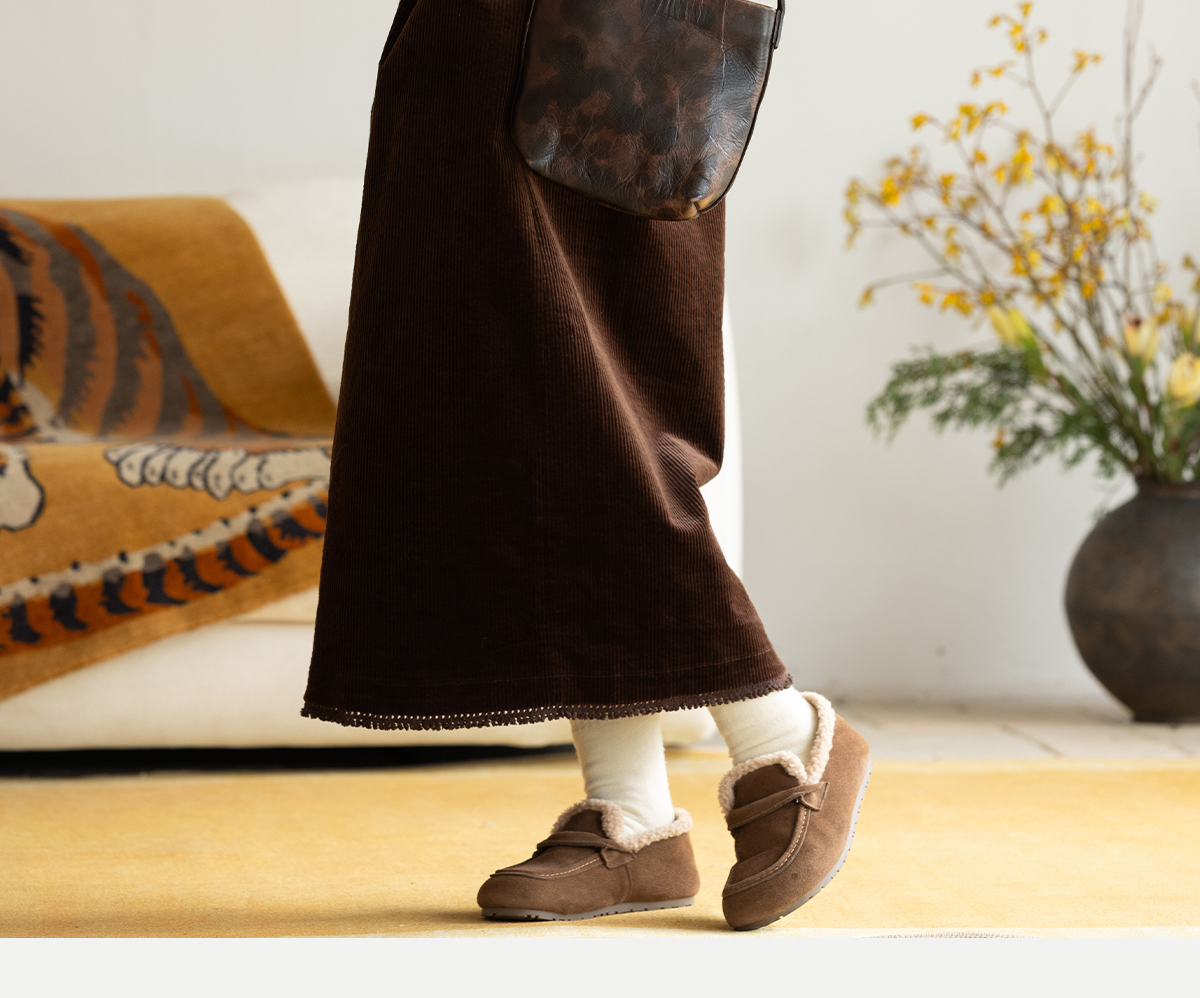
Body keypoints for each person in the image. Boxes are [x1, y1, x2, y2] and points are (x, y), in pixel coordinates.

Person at [302, 0, 871, 931]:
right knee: (514, 410)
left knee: (587, 396)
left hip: (603, 29)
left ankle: (782, 733)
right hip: (463, 40)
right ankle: (632, 812)